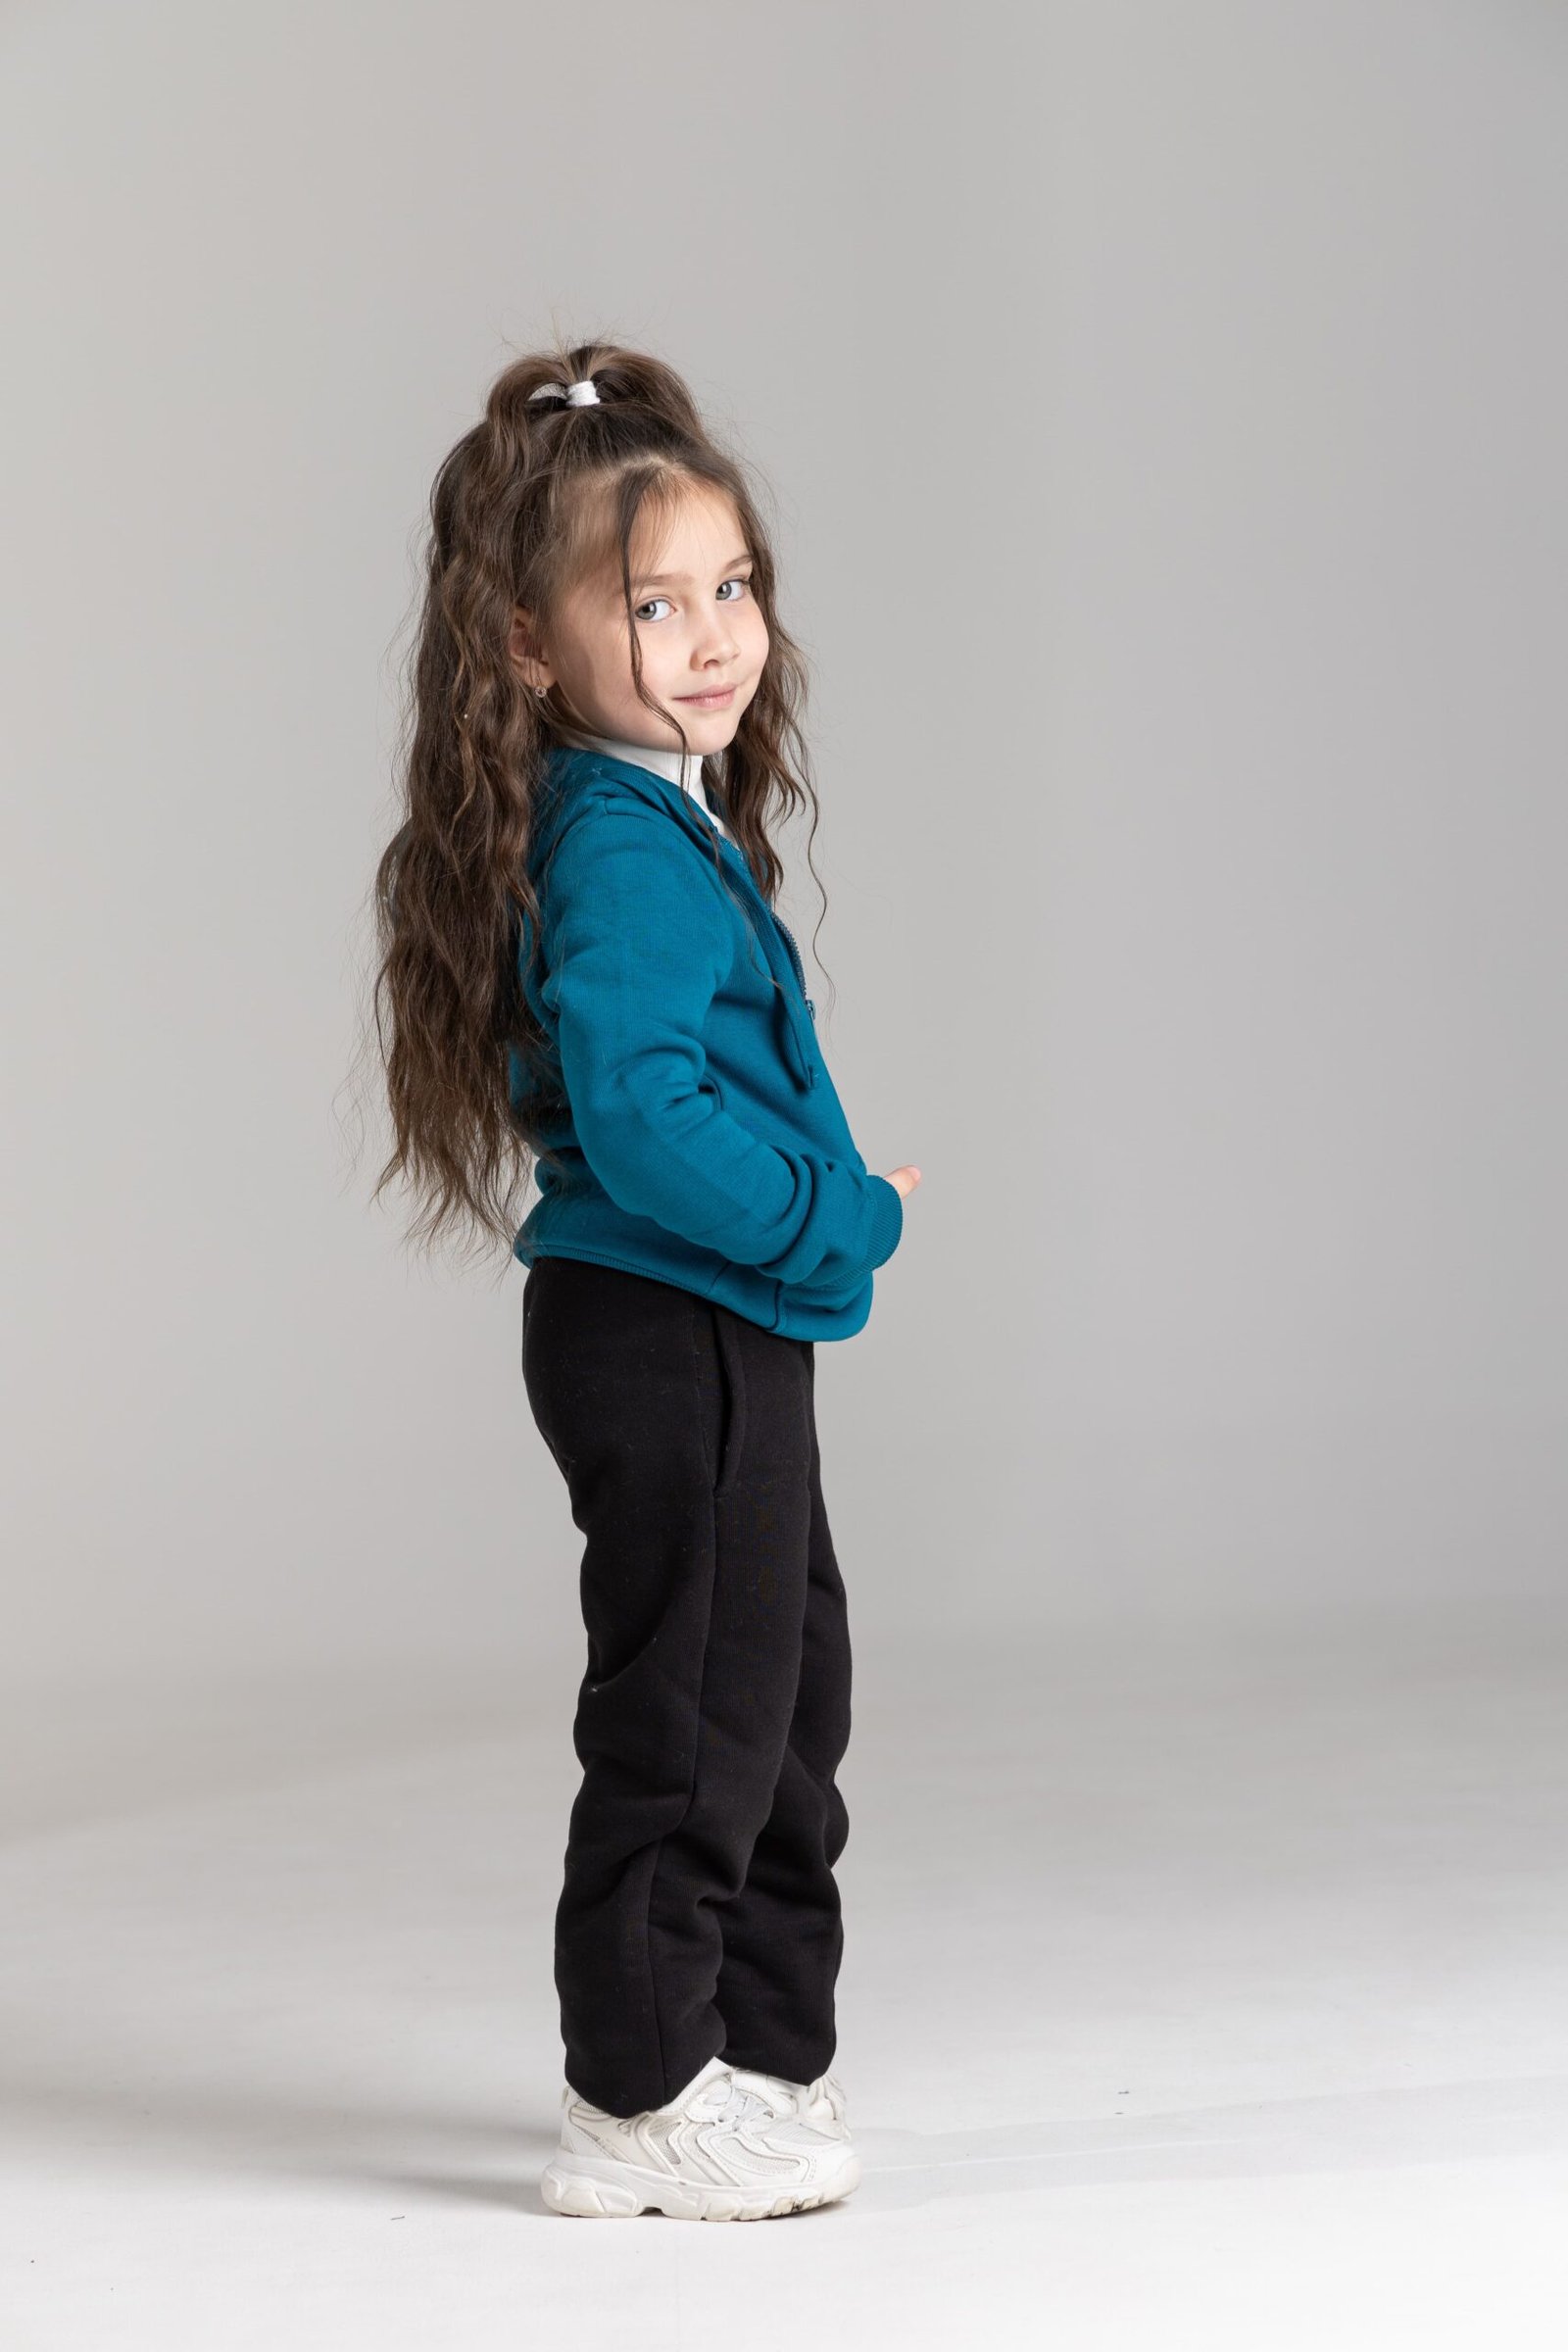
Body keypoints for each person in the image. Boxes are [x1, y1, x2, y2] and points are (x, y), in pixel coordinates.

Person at [370, 338, 919, 2222]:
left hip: (718, 1327)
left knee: (779, 1693)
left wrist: (815, 1207)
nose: (712, 638)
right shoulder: (616, 844)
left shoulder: (659, 816)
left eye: (732, 586)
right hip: (669, 1330)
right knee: (693, 1714)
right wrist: (839, 1213)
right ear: (529, 648)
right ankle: (636, 2096)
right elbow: (644, 1113)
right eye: (652, 604)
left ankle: (755, 2052)